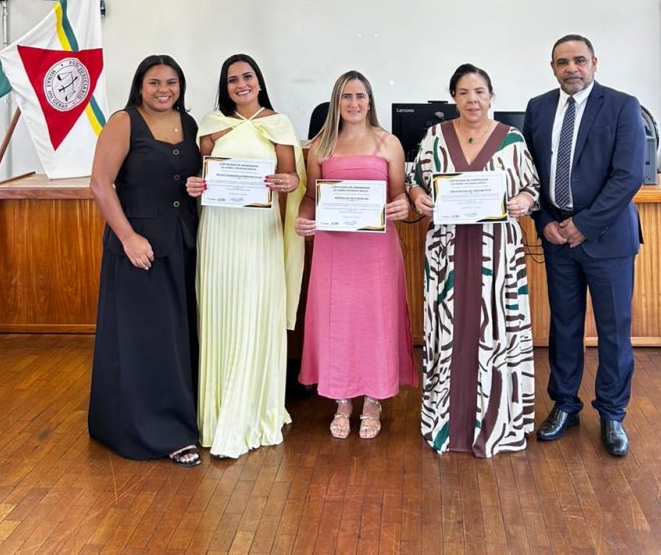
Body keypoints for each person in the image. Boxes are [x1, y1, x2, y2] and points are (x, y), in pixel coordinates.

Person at [407, 63, 539, 457]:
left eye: (479, 91)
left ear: (491, 95)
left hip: (497, 254)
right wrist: (418, 197)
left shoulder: (511, 139)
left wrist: (524, 200)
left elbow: (532, 186)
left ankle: (496, 424)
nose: (472, 99)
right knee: (448, 331)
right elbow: (414, 181)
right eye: (464, 92)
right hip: (446, 252)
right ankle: (445, 423)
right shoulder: (435, 136)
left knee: (494, 331)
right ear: (453, 97)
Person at [523, 34, 645, 457]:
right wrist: (544, 222)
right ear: (552, 67)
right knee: (564, 326)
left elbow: (628, 176)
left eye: (579, 60)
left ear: (594, 62)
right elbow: (531, 175)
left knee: (613, 330)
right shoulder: (538, 108)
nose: (571, 68)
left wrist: (584, 225)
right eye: (562, 62)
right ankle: (564, 405)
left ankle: (612, 413)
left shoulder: (622, 106)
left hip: (607, 238)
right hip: (557, 238)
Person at [186, 54, 305, 458]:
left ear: (259, 81)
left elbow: (293, 179)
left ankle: (253, 409)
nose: (241, 84)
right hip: (219, 231)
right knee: (221, 311)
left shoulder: (278, 124)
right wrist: (197, 185)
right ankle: (218, 412)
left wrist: (286, 181)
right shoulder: (212, 125)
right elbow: (201, 174)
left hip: (259, 231)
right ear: (225, 86)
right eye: (232, 79)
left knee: (254, 310)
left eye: (247, 76)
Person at [88, 55, 201, 465]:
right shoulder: (124, 122)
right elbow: (100, 184)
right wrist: (128, 238)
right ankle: (157, 433)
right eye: (154, 82)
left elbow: (183, 179)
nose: (163, 90)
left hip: (182, 243)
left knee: (176, 339)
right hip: (138, 249)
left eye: (171, 82)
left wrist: (196, 186)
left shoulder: (189, 123)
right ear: (140, 85)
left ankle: (180, 420)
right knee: (145, 341)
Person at [295, 71, 417, 439]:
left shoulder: (388, 143)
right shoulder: (321, 145)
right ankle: (342, 399)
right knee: (337, 322)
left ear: (370, 101)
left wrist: (402, 206)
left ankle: (374, 399)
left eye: (360, 96)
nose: (353, 103)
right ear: (336, 102)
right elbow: (311, 196)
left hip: (376, 251)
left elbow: (399, 196)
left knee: (376, 321)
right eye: (346, 96)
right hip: (333, 249)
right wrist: (303, 218)